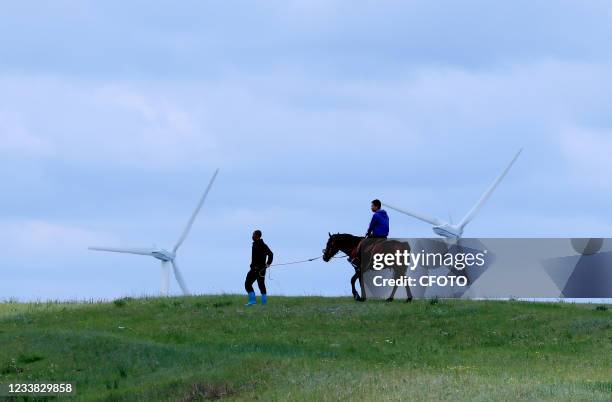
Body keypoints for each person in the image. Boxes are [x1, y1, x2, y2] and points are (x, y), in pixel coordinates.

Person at [245, 230, 274, 306]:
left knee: (248, 283)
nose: (252, 236)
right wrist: (267, 264)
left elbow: (271, 254)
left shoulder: (260, 245)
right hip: (260, 269)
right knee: (260, 284)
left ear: (257, 236)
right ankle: (261, 303)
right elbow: (271, 254)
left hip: (257, 269)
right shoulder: (261, 244)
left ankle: (253, 301)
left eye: (253, 235)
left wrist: (268, 264)